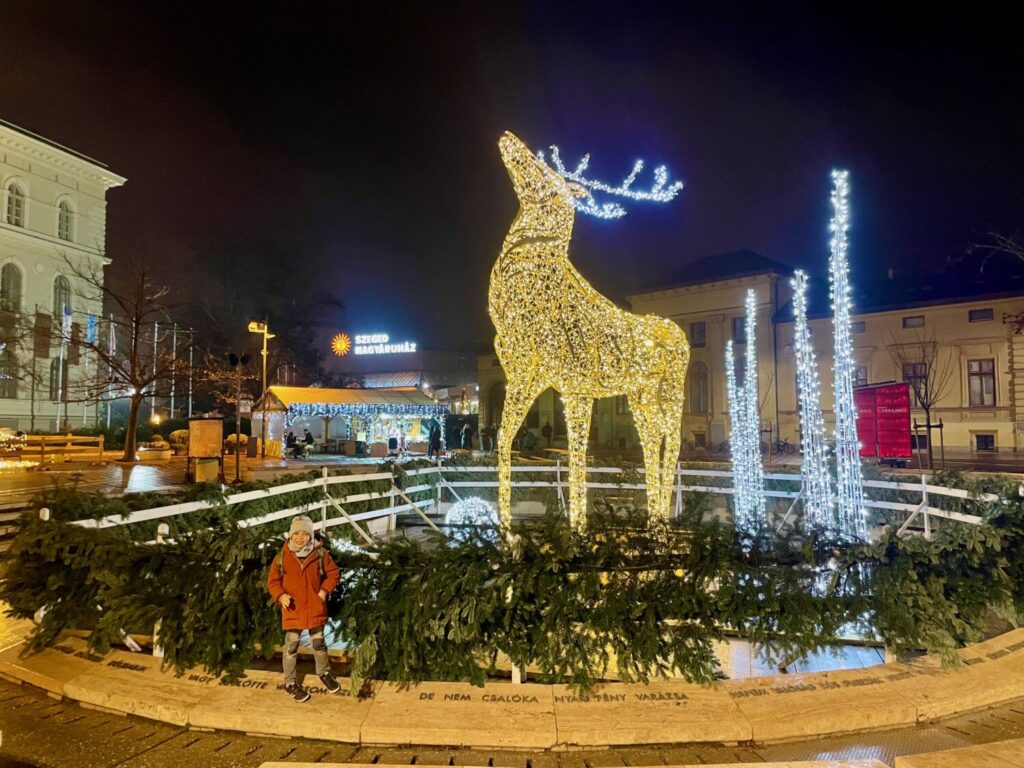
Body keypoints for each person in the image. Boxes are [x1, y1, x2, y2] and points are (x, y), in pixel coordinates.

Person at [267, 515, 341, 702]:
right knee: (291, 646)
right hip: (293, 609)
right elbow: (273, 581)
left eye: (305, 534)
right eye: (296, 534)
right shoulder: (282, 557)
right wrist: (281, 595)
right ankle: (290, 681)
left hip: (315, 607)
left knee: (318, 643)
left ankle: (324, 672)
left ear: (311, 535)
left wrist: (324, 591)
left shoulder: (320, 554)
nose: (300, 537)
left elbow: (333, 573)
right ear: (290, 535)